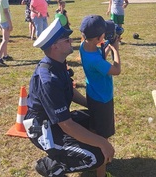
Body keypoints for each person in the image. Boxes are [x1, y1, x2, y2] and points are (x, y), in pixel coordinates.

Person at [25, 18, 115, 177]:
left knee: (98, 120)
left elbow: (70, 91)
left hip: (57, 121)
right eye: (67, 40)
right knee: (97, 157)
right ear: (55, 46)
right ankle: (50, 166)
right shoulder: (48, 80)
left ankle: (75, 154)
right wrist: (102, 143)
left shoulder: (58, 63)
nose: (71, 41)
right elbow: (66, 125)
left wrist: (93, 106)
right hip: (44, 129)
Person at [79, 15, 121, 177]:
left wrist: (107, 46)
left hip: (93, 95)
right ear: (98, 37)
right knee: (102, 139)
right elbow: (116, 70)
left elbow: (98, 53)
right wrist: (116, 50)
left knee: (94, 130)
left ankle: (92, 159)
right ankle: (101, 171)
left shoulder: (84, 46)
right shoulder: (95, 61)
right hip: (103, 100)